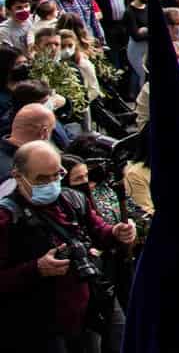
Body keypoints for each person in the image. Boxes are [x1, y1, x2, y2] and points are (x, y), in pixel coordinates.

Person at [0, 140, 136, 352]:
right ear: (18, 176)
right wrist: (36, 268)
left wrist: (117, 232)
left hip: (86, 312)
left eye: (57, 175)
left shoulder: (73, 200)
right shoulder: (7, 218)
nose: (52, 183)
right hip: (36, 326)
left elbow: (100, 232)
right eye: (42, 179)